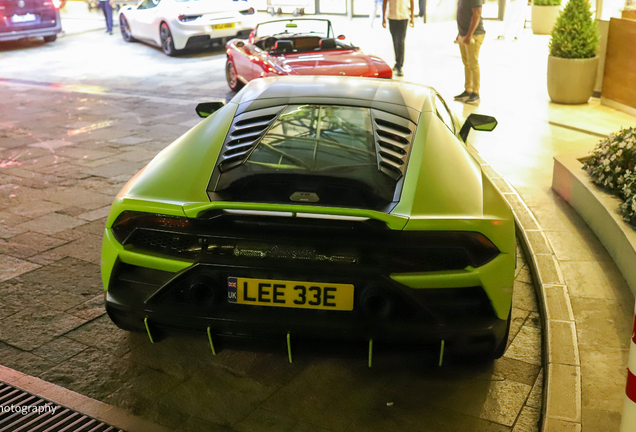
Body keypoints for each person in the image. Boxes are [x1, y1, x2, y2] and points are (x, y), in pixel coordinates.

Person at [453, 0, 485, 104]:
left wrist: (469, 34)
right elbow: (463, 14)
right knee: (466, 63)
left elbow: (477, 14)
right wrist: (460, 33)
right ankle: (468, 90)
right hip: (464, 34)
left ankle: (475, 93)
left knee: (472, 63)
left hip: (474, 34)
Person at [382, 0, 415, 77]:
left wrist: (412, 17)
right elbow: (384, 2)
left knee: (400, 41)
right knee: (395, 41)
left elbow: (412, 2)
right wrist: (383, 18)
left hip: (403, 17)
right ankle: (397, 63)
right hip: (392, 17)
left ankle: (400, 65)